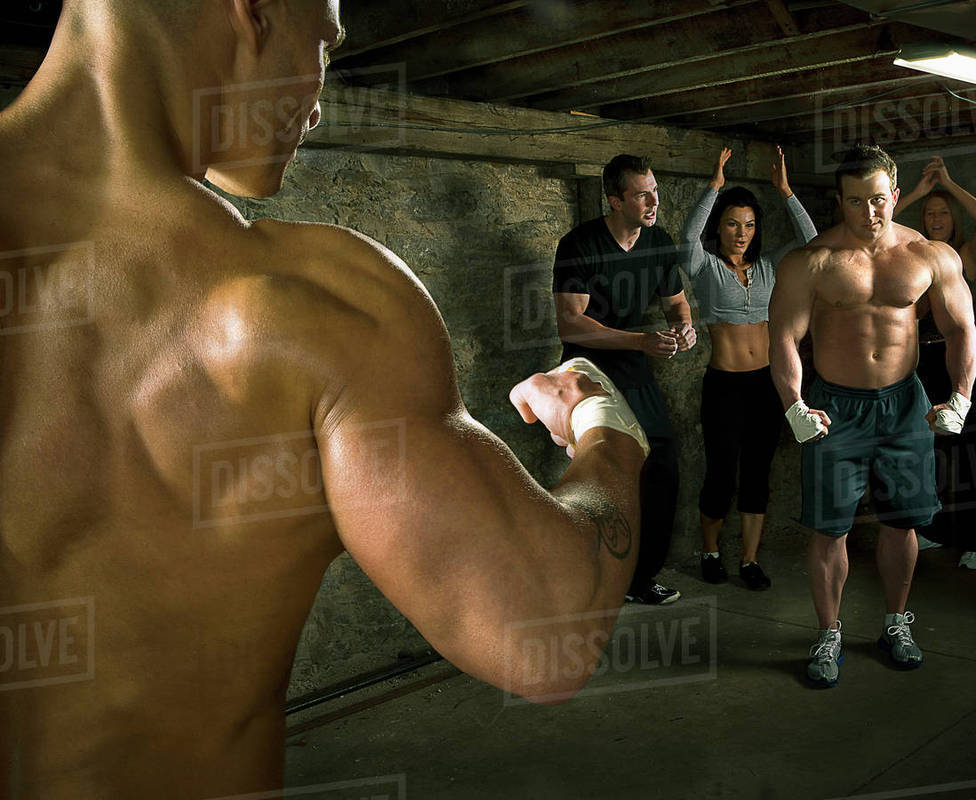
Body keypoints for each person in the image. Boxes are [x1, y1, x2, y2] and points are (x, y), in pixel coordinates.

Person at [0, 1, 651, 795]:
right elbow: (545, 631)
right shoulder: (311, 308)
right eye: (326, 42)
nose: (315, 98)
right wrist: (601, 421)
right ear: (253, 9)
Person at [769, 143, 976, 688]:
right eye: (856, 202)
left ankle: (895, 623)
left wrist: (961, 396)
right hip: (834, 407)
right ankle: (828, 632)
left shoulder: (931, 255)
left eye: (879, 200)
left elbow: (960, 330)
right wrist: (794, 404)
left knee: (902, 521)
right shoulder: (810, 261)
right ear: (840, 200)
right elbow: (784, 338)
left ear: (895, 194)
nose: (869, 213)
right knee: (828, 529)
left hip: (904, 405)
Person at [553, 153, 696, 605]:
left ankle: (639, 578)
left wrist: (684, 328)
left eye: (655, 190)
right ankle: (589, 575)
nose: (654, 201)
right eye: (642, 194)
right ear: (615, 200)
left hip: (634, 369)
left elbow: (677, 304)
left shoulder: (660, 242)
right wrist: (639, 341)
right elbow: (570, 324)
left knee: (663, 462)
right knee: (605, 472)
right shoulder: (580, 244)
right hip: (587, 370)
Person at [680, 146, 818, 590]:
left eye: (750, 225)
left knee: (758, 473)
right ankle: (711, 551)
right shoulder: (705, 267)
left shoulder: (771, 266)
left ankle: (751, 561)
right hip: (724, 386)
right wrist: (713, 189)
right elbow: (686, 240)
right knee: (722, 473)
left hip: (765, 386)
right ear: (720, 226)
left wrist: (786, 192)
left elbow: (812, 242)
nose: (742, 233)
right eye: (733, 224)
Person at [894, 155, 976, 569]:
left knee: (968, 450)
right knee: (928, 451)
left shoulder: (965, 256)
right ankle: (936, 530)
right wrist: (917, 192)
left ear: (953, 218)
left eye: (942, 213)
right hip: (923, 360)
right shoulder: (912, 254)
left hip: (963, 362)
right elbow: (880, 221)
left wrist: (949, 184)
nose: (935, 218)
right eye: (928, 213)